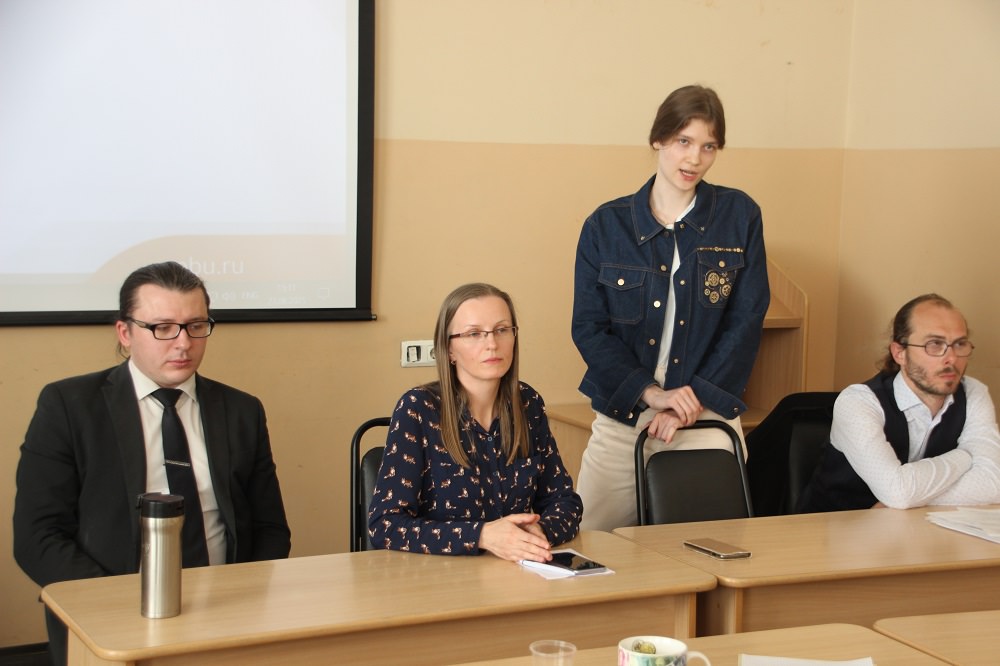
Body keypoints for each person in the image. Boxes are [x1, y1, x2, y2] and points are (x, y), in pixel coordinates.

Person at [13, 261, 291, 666]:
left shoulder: (241, 411)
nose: (183, 343)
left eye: (196, 326)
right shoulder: (69, 407)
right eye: (162, 328)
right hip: (107, 619)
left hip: (227, 616)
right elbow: (37, 537)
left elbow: (271, 529)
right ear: (125, 333)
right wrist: (123, 604)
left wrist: (239, 603)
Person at [572, 84, 770, 530]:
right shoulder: (606, 225)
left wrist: (688, 402)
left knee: (718, 549)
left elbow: (745, 321)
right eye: (683, 141)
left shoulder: (739, 215)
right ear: (658, 139)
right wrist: (652, 394)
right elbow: (589, 328)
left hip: (707, 415)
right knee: (590, 545)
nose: (694, 158)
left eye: (708, 146)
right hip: (626, 414)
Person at [367, 283, 582, 562]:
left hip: (516, 572)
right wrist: (482, 536)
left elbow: (565, 502)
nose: (492, 343)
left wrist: (538, 531)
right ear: (449, 349)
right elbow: (385, 525)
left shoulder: (527, 403)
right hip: (441, 576)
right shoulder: (418, 408)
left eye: (501, 330)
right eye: (474, 334)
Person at [799, 294, 1000, 512]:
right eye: (934, 344)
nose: (951, 358)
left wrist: (900, 501)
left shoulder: (973, 392)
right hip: (832, 527)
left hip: (916, 528)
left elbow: (994, 482)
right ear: (899, 353)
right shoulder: (857, 402)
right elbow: (898, 492)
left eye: (959, 344)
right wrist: (965, 456)